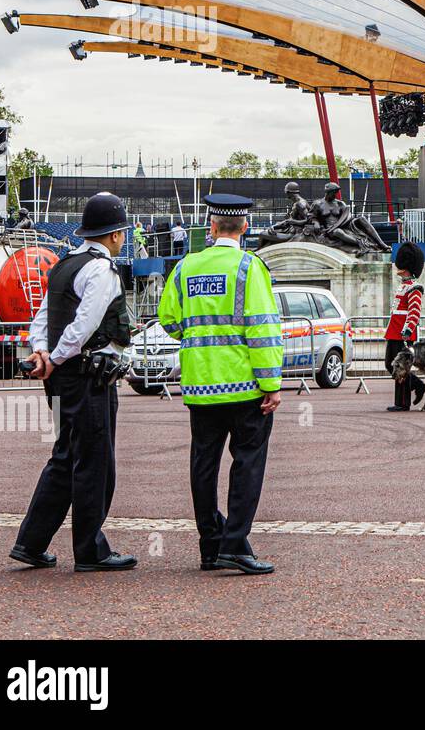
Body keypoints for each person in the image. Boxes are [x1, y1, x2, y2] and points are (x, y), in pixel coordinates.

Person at [157, 193, 282, 574]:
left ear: (211, 227)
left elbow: (168, 320)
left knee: (203, 464)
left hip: (200, 384)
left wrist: (197, 335)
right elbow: (262, 329)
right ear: (244, 227)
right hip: (245, 385)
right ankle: (234, 546)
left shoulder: (185, 267)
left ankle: (210, 545)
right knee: (247, 463)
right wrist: (271, 382)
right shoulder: (250, 267)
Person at [12, 192, 136, 572]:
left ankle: (31, 542)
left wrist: (42, 353)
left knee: (64, 456)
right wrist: (60, 356)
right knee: (95, 461)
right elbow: (84, 325)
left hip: (61, 380)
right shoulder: (102, 270)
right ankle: (90, 549)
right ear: (115, 235)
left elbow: (43, 318)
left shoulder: (64, 264)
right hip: (87, 377)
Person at [385, 241, 425, 411]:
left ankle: (402, 403)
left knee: (399, 366)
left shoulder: (414, 288)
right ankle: (418, 386)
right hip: (395, 331)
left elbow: (414, 311)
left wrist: (408, 329)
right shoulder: (404, 286)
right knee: (390, 364)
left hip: (403, 333)